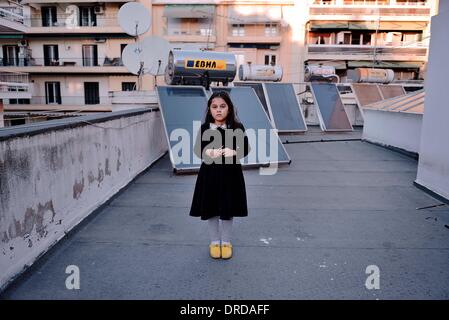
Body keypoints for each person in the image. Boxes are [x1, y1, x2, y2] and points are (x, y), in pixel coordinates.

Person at [190, 91, 251, 260]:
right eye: (214, 107)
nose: (218, 110)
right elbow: (198, 150)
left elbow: (246, 149)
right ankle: (214, 242)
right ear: (209, 109)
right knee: (211, 209)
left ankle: (226, 242)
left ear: (229, 109)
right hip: (209, 175)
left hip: (231, 176)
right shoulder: (204, 128)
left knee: (227, 209)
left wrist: (234, 151)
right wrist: (209, 151)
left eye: (222, 106)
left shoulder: (237, 127)